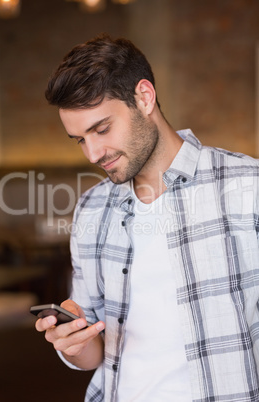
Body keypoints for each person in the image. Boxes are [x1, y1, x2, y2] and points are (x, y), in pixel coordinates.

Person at [35, 33, 259, 402]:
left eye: (101, 129)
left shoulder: (247, 187)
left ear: (144, 97)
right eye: (79, 139)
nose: (92, 153)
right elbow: (93, 347)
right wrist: (72, 343)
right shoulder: (92, 208)